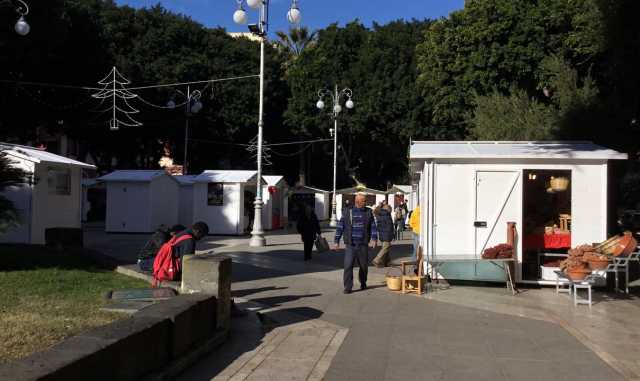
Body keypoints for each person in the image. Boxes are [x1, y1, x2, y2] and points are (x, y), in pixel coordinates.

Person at [332, 193, 378, 294]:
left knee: (364, 266)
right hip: (350, 245)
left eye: (365, 201)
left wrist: (374, 238)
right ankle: (348, 287)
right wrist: (336, 241)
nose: (366, 202)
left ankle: (363, 282)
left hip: (363, 244)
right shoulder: (347, 212)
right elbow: (340, 227)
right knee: (348, 266)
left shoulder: (368, 212)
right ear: (358, 202)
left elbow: (373, 226)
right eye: (364, 201)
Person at [372, 201, 394, 267]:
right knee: (386, 247)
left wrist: (379, 206)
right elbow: (390, 227)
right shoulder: (387, 216)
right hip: (386, 234)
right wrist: (392, 235)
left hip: (382, 234)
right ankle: (376, 260)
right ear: (388, 209)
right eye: (391, 209)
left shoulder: (380, 214)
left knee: (386, 248)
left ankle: (387, 262)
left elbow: (375, 211)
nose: (391, 211)